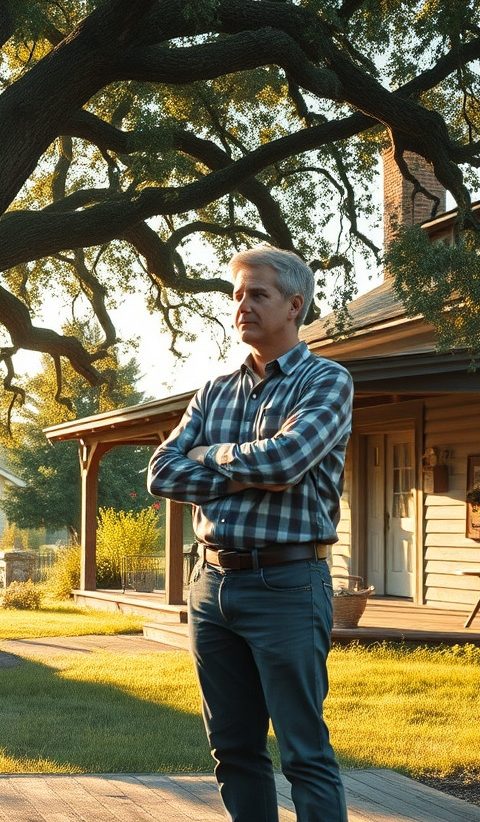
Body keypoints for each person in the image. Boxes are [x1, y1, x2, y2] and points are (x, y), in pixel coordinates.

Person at [148, 247, 352, 822]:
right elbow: (161, 472)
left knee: (303, 752)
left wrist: (210, 455)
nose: (242, 305)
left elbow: (287, 461)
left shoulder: (327, 381)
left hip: (287, 582)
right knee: (234, 750)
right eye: (236, 294)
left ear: (294, 305)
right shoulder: (214, 391)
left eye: (257, 294)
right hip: (210, 587)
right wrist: (244, 471)